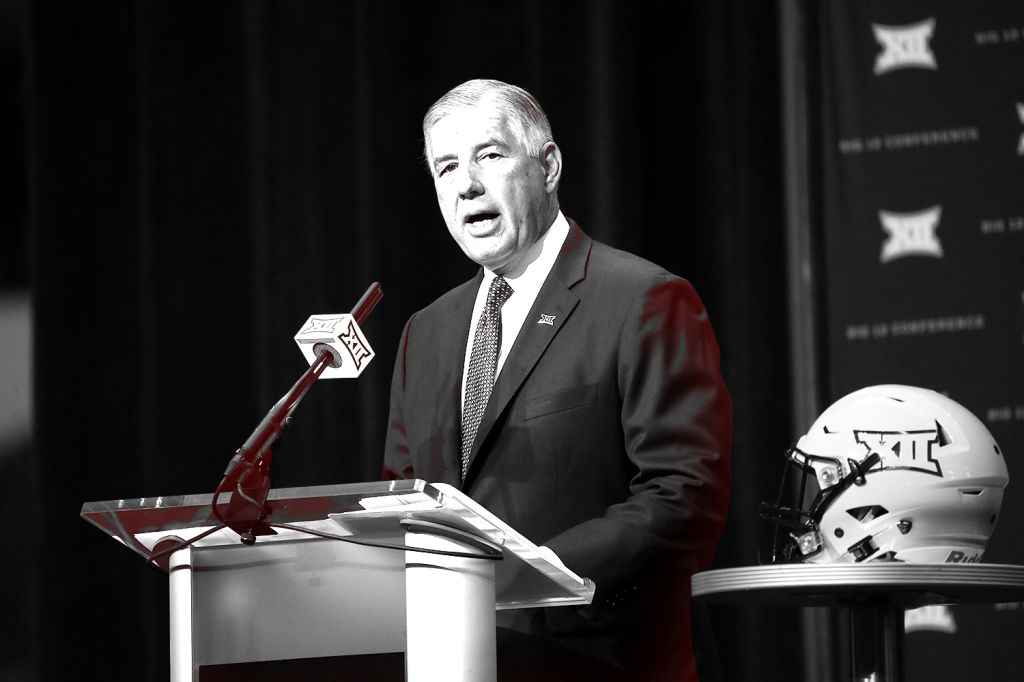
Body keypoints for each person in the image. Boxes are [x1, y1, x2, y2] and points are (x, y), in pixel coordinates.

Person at [382, 78, 732, 682]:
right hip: (458, 662)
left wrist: (536, 571)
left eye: (489, 155)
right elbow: (404, 501)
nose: (467, 185)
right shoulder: (426, 332)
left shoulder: (643, 299)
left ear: (548, 167)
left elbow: (685, 493)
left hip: (603, 659)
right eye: (447, 167)